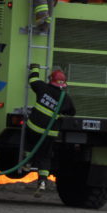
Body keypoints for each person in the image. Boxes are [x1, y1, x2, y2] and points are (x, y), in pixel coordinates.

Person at [26, 64, 76, 197]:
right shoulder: (65, 98)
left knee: (30, 145)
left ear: (51, 80)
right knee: (45, 156)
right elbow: (72, 112)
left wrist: (35, 68)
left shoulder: (43, 88)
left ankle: (27, 162)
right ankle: (42, 182)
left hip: (34, 127)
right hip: (50, 133)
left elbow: (32, 80)